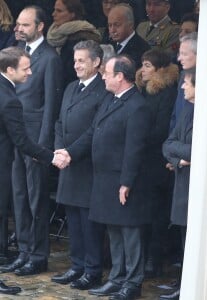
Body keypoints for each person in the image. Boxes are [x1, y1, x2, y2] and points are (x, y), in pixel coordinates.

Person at [56, 55, 151, 300]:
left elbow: (135, 149)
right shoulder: (111, 99)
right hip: (104, 179)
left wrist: (126, 182)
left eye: (107, 73)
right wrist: (69, 152)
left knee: (130, 234)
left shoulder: (137, 106)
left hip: (123, 181)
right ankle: (116, 278)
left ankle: (132, 283)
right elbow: (91, 133)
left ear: (120, 76)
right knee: (114, 232)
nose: (104, 76)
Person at [0, 5, 63, 277]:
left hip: (35, 139)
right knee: (19, 197)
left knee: (37, 199)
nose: (19, 28)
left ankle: (38, 255)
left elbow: (51, 105)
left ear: (40, 27)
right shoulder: (15, 53)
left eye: (25, 25)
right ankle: (24, 250)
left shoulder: (50, 58)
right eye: (18, 24)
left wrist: (44, 144)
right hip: (15, 138)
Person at [51, 40, 108, 290]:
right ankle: (76, 265)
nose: (76, 65)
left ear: (96, 62)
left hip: (86, 165)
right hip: (68, 163)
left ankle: (92, 269)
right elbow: (59, 123)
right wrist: (59, 150)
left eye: (82, 60)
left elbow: (94, 130)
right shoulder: (71, 87)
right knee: (73, 218)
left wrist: (70, 153)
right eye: (75, 60)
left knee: (88, 221)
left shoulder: (103, 90)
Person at [135, 48, 178, 277]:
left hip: (156, 161)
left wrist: (138, 137)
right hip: (141, 160)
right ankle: (141, 257)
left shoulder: (166, 93)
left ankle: (155, 259)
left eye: (149, 65)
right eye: (143, 64)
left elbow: (162, 128)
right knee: (142, 211)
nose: (143, 69)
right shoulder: (142, 91)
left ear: (160, 69)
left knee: (156, 213)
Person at [160, 68, 195, 300]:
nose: (182, 87)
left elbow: (197, 149)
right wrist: (179, 159)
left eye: (187, 83)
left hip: (196, 188)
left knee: (193, 240)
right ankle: (183, 284)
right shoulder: (187, 110)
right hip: (182, 180)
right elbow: (168, 143)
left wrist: (180, 154)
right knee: (184, 237)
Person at [47, 0, 101, 87]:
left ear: (72, 14)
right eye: (54, 10)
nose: (53, 14)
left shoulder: (83, 36)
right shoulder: (53, 34)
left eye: (59, 11)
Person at [107, 3, 150, 68]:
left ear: (130, 25)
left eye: (117, 25)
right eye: (110, 25)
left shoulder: (142, 49)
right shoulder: (108, 43)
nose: (112, 30)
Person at [169, 32, 197, 131]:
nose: (179, 58)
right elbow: (175, 114)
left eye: (184, 54)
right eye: (179, 53)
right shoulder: (183, 75)